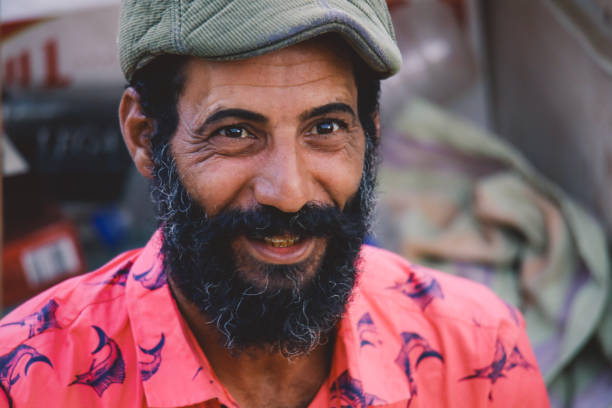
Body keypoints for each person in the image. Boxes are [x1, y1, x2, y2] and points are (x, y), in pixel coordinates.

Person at [0, 1, 550, 407]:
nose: (288, 191)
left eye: (326, 127)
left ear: (371, 134)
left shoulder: (476, 355)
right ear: (144, 137)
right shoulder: (27, 380)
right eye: (235, 131)